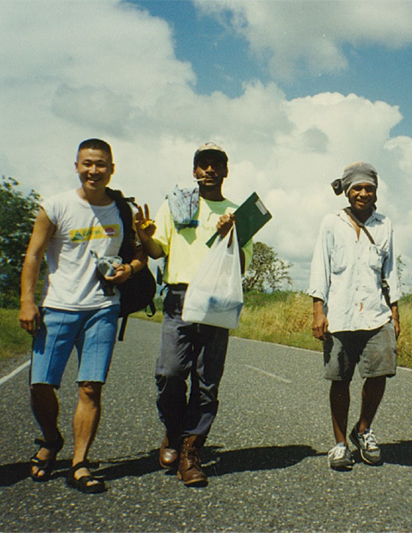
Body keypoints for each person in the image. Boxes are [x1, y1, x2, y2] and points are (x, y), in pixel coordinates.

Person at [20, 138, 147, 493]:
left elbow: (140, 256)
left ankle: (79, 463)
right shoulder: (56, 206)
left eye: (101, 164)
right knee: (40, 385)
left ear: (112, 169)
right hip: (58, 306)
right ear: (76, 166)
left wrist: (129, 271)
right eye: (87, 163)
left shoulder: (124, 211)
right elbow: (33, 256)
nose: (94, 170)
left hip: (102, 309)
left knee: (90, 387)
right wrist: (27, 301)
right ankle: (51, 439)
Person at [134, 143, 252, 487]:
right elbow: (158, 250)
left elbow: (241, 266)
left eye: (217, 164)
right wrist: (143, 235)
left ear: (226, 171)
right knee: (170, 372)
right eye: (203, 164)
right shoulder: (176, 204)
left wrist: (230, 237)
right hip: (180, 295)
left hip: (217, 299)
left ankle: (189, 450)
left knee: (207, 381)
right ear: (194, 171)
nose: (210, 170)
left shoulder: (237, 212)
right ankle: (173, 430)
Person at [308, 162, 401, 471]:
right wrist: (318, 311)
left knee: (379, 373)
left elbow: (390, 271)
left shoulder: (384, 224)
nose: (363, 193)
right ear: (347, 192)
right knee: (340, 379)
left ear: (376, 192)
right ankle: (339, 444)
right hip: (340, 314)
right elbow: (320, 267)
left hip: (376, 312)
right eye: (357, 188)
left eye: (369, 188)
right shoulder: (331, 223)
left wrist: (395, 312)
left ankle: (363, 429)